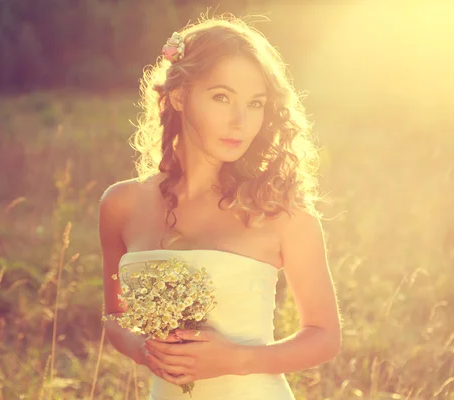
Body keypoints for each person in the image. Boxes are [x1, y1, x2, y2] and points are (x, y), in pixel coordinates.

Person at [99, 15, 341, 400]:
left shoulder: (279, 211)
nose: (240, 122)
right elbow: (115, 316)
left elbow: (325, 337)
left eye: (255, 104)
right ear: (179, 96)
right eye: (222, 97)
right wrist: (142, 350)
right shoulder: (121, 204)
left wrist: (235, 360)